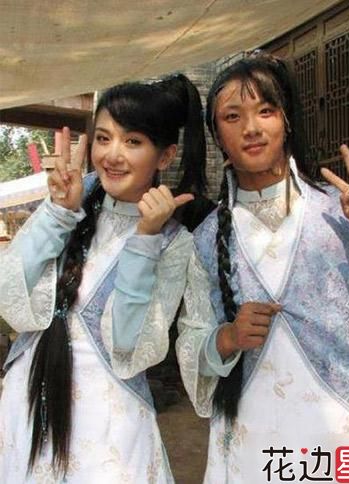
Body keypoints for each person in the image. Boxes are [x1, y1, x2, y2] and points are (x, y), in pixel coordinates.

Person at [176, 54, 349, 483]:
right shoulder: (205, 239)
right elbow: (191, 345)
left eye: (266, 110)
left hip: (338, 440)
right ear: (217, 134)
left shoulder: (341, 215)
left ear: (287, 119)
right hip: (248, 445)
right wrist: (227, 337)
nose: (252, 128)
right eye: (233, 116)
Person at [0, 74, 207, 483]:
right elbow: (10, 291)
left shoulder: (173, 243)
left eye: (133, 141)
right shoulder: (72, 199)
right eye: (104, 138)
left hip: (108, 422)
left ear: (164, 156)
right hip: (29, 401)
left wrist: (144, 241)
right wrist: (58, 213)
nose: (113, 155)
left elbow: (126, 342)